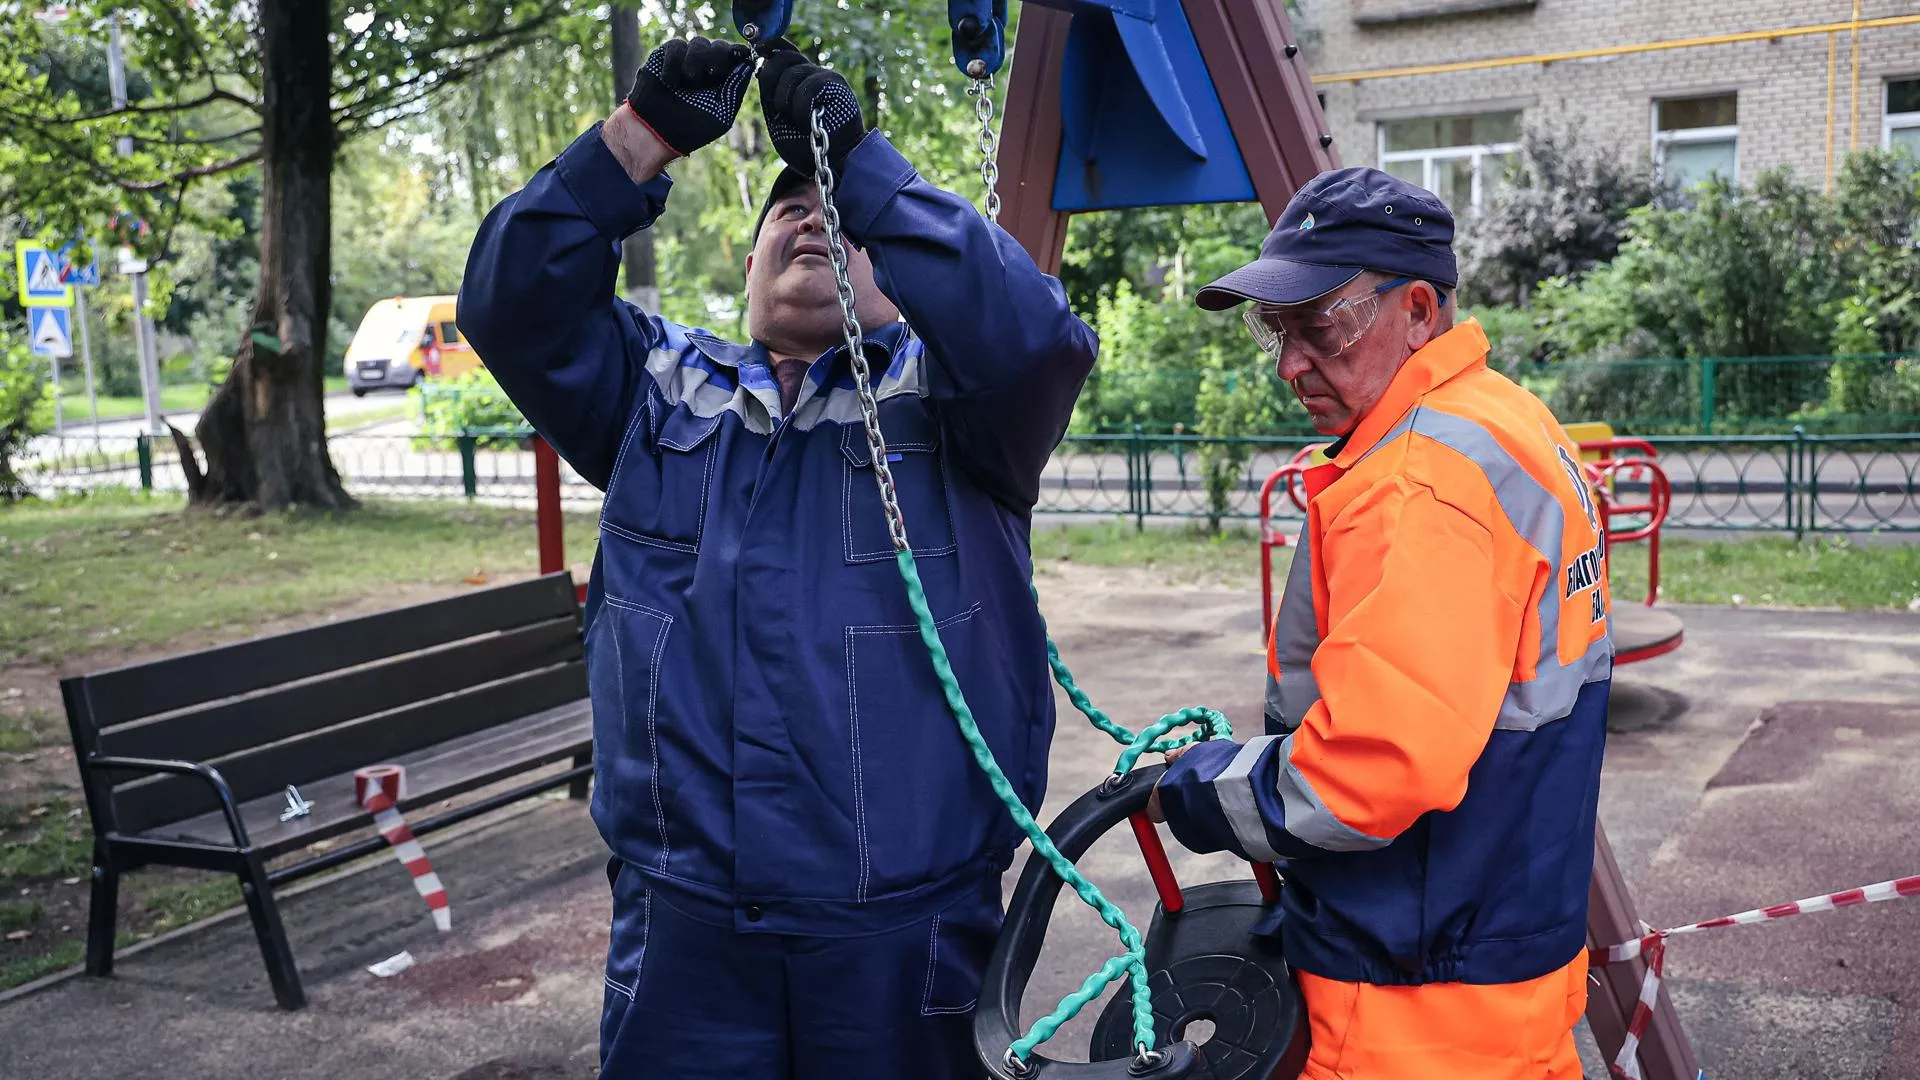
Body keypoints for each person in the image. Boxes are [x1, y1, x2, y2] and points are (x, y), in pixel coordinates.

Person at [459, 35, 1096, 1080]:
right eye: (787, 210)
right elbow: (509, 304)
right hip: (685, 928)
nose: (813, 214)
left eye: (841, 212)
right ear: (746, 269)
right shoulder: (654, 393)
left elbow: (1037, 338)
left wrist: (867, 167)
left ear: (898, 268)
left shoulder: (965, 406)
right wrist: (641, 136)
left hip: (906, 933)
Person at [1146, 168, 1613, 1080]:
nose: (1289, 364)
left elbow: (1366, 773)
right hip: (1504, 961)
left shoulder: (1419, 482)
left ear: (1418, 309)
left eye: (1320, 326)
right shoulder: (1508, 420)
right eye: (1276, 332)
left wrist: (1195, 790)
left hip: (1413, 995)